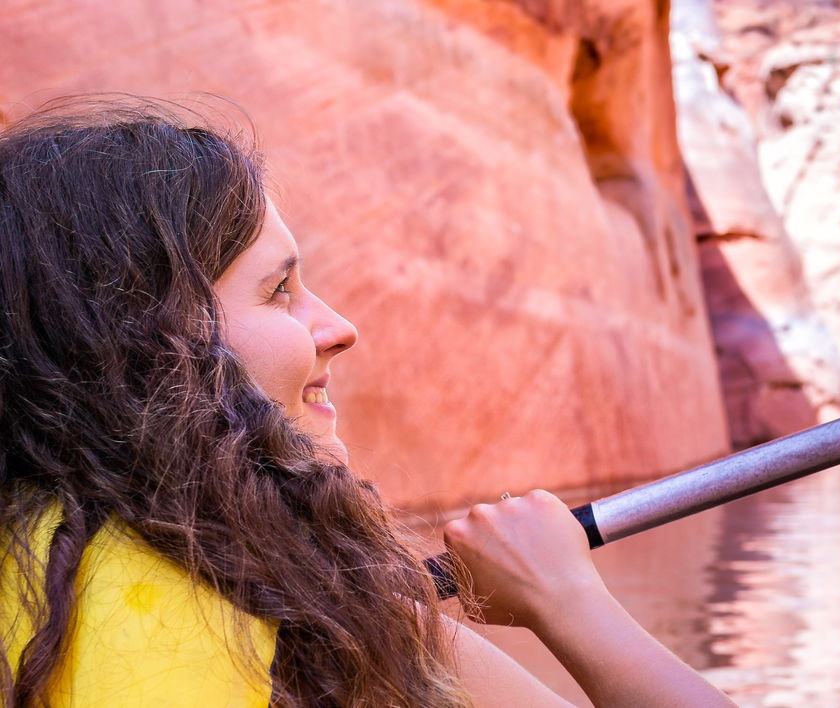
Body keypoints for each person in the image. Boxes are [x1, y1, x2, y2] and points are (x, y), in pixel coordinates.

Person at [0, 99, 734, 707]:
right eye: (278, 290)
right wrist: (571, 601)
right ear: (147, 336)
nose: (339, 328)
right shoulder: (306, 625)